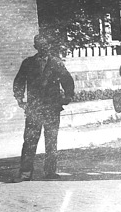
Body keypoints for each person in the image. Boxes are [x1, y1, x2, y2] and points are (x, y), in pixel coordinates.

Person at [12, 32, 75, 182]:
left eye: (46, 45)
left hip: (52, 108)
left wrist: (68, 96)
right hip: (34, 108)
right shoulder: (28, 63)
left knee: (51, 141)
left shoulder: (56, 63)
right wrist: (20, 99)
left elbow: (67, 80)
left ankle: (50, 172)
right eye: (40, 46)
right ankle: (25, 173)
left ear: (49, 46)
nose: (43, 48)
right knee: (29, 140)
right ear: (35, 47)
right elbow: (19, 82)